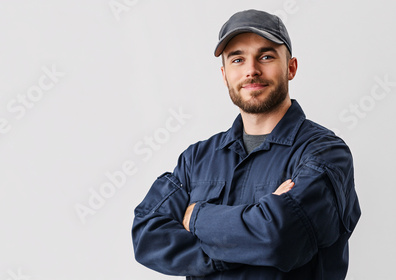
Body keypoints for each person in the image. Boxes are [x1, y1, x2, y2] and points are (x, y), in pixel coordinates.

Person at [131, 9, 361, 280]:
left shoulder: (324, 154)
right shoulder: (196, 159)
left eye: (266, 56)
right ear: (225, 74)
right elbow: (148, 237)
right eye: (238, 59)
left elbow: (281, 239)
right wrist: (250, 236)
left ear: (291, 67)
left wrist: (195, 217)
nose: (251, 70)